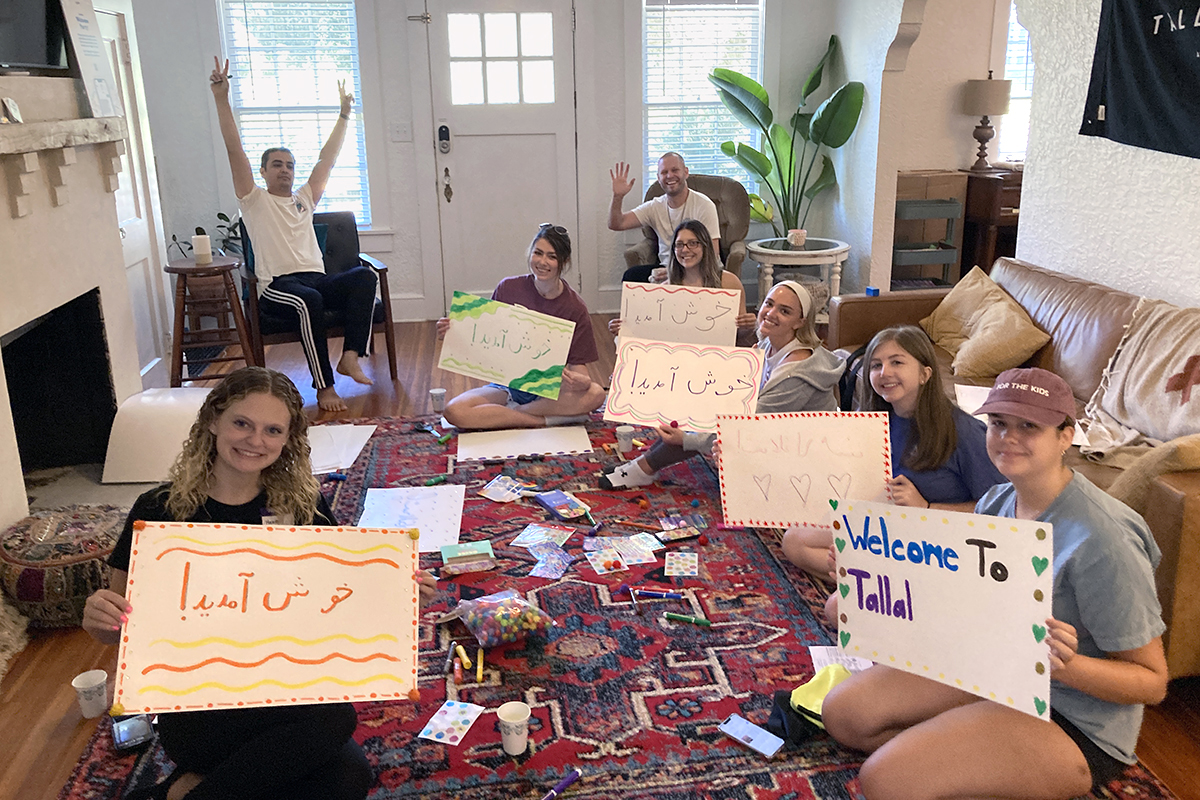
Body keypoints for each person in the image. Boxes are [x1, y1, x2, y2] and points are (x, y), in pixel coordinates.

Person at [82, 368, 437, 800]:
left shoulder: (303, 505)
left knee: (347, 776)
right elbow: (119, 629)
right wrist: (99, 620)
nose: (255, 441)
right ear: (213, 420)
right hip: (199, 705)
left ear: (288, 439)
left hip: (284, 690)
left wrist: (401, 591)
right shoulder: (158, 510)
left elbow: (346, 594)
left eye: (272, 430)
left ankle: (177, 795)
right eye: (241, 423)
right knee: (331, 730)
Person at [821, 367, 1168, 800]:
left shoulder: (1104, 538)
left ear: (1065, 436)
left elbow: (1152, 682)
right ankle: (962, 753)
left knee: (884, 781)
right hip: (995, 668)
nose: (1008, 437)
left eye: (1029, 426)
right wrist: (864, 568)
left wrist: (1066, 664)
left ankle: (1003, 762)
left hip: (1071, 714)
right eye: (998, 423)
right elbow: (959, 596)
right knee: (842, 714)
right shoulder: (997, 500)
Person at [781, 325, 1005, 606]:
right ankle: (881, 582)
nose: (883, 372)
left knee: (837, 609)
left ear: (925, 373)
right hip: (884, 530)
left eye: (896, 362)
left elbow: (999, 512)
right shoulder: (875, 420)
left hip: (936, 545)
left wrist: (927, 508)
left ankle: (898, 589)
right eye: (876, 365)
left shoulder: (965, 432)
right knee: (794, 541)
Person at [210, 56, 377, 414]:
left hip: (316, 279)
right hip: (278, 286)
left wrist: (345, 114)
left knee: (364, 276)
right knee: (308, 301)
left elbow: (327, 160)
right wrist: (222, 99)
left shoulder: (304, 199)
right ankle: (324, 387)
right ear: (264, 171)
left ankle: (351, 356)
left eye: (289, 165)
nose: (285, 171)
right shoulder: (253, 200)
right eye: (277, 165)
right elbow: (233, 149)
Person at [600, 280, 843, 489]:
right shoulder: (770, 344)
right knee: (696, 407)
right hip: (770, 430)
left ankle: (643, 469)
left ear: (800, 322)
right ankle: (644, 465)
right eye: (769, 304)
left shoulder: (797, 372)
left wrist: (687, 438)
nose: (771, 313)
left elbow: (748, 426)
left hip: (800, 450)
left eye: (785, 311)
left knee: (699, 426)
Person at [436, 223, 607, 430]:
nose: (542, 262)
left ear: (565, 261)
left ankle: (507, 415)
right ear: (530, 253)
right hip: (507, 385)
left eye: (552, 257)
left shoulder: (575, 307)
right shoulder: (508, 288)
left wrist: (581, 382)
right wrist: (455, 334)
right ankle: (540, 420)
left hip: (549, 389)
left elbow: (579, 369)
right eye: (538, 253)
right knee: (454, 411)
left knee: (596, 393)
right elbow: (486, 343)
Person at [607, 220, 756, 339]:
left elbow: (738, 335)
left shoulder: (729, 282)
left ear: (705, 246)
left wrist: (748, 326)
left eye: (693, 243)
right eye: (679, 245)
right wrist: (624, 329)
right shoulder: (666, 289)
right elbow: (652, 334)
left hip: (714, 357)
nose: (685, 249)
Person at [609, 153, 721, 283]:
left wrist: (679, 274)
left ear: (686, 172)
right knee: (631, 276)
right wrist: (618, 196)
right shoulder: (654, 206)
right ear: (658, 177)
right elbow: (617, 224)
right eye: (664, 172)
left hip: (700, 268)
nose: (669, 176)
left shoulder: (704, 205)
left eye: (675, 170)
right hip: (667, 269)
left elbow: (714, 252)